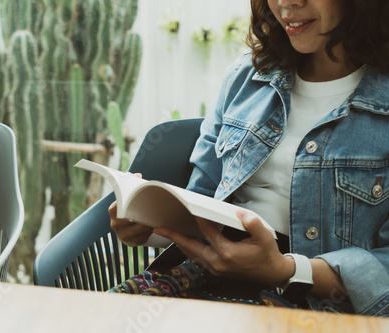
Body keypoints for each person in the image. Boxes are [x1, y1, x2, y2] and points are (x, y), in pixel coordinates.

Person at [109, 0, 389, 316]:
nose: (286, 3)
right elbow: (202, 200)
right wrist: (150, 225)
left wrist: (286, 270)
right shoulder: (247, 75)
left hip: (314, 307)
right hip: (198, 279)